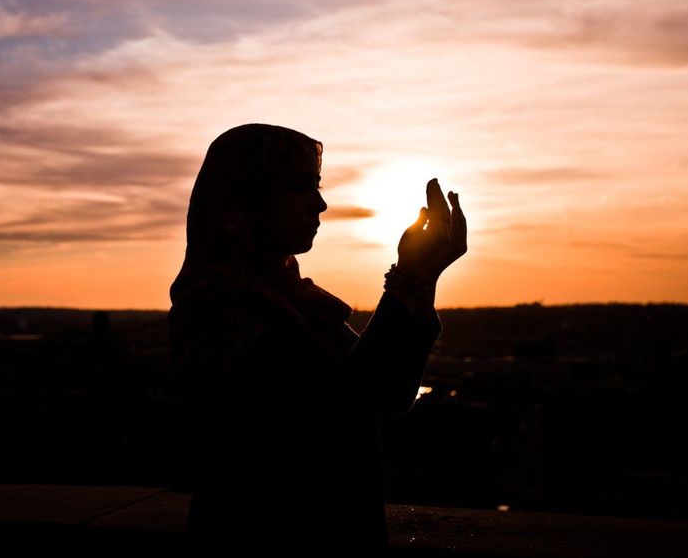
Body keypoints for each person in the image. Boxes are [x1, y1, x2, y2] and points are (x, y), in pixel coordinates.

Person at [168, 123, 467, 553]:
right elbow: (342, 404)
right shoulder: (221, 309)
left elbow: (390, 393)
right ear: (248, 199)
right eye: (299, 186)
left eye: (317, 185)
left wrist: (425, 274)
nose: (321, 203)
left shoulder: (291, 299)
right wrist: (408, 277)